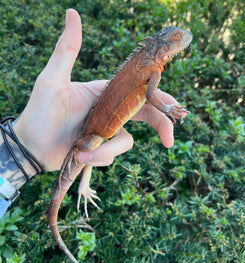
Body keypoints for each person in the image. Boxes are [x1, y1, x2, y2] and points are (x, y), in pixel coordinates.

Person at [0, 9, 187, 216]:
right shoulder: (151, 68)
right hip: (92, 134)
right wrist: (168, 108)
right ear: (162, 47)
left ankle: (82, 185)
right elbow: (151, 97)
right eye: (176, 37)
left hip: (93, 134)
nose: (182, 39)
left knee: (91, 150)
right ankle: (79, 189)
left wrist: (22, 146)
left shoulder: (150, 66)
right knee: (89, 148)